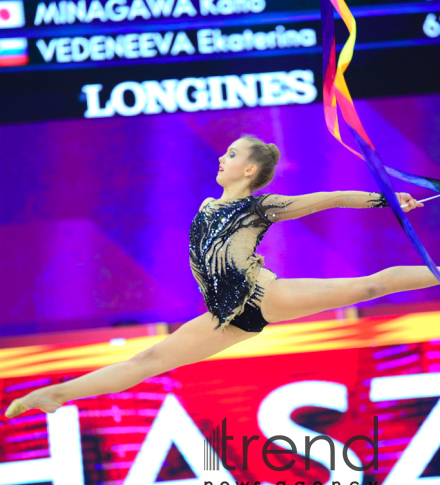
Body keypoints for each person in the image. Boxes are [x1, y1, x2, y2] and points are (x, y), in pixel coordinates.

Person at [4, 135, 433, 420]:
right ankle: (57, 395)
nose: (220, 157)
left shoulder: (261, 205)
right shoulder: (208, 206)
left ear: (249, 171)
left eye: (231, 154)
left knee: (368, 287)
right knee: (147, 362)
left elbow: (330, 197)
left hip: (261, 295)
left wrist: (387, 201)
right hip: (223, 316)